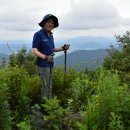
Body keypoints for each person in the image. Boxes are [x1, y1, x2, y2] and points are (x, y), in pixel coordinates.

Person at [32, 14, 70, 101]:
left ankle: (49, 104)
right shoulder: (38, 35)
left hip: (50, 64)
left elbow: (52, 49)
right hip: (42, 65)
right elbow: (34, 50)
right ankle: (44, 106)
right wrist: (45, 57)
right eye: (48, 22)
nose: (50, 24)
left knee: (49, 85)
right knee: (46, 86)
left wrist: (62, 48)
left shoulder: (50, 36)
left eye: (52, 23)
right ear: (44, 23)